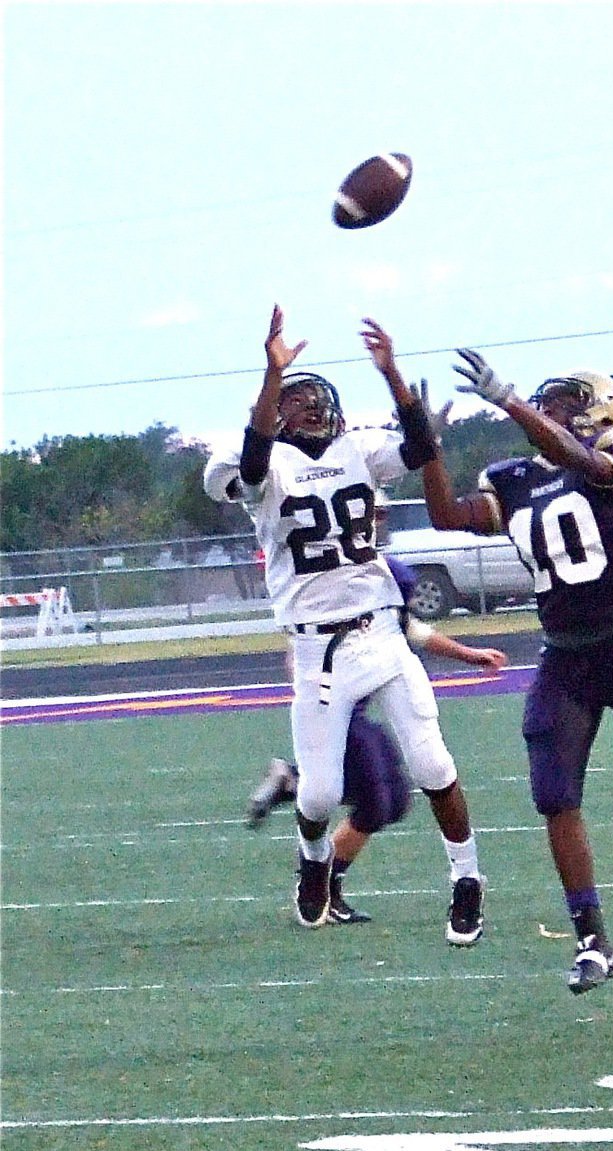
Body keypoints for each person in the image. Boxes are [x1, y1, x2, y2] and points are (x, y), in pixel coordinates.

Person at [397, 341, 613, 993]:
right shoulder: (517, 481)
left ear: (603, 409)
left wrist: (511, 403)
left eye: (567, 400)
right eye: (548, 400)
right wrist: (426, 444)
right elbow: (446, 516)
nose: (553, 407)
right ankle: (592, 940)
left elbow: (589, 467)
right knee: (553, 794)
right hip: (565, 655)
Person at [203, 305, 486, 945]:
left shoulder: (358, 446)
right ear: (275, 412)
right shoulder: (263, 462)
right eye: (293, 400)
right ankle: (313, 859)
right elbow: (247, 466)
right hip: (316, 651)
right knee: (322, 794)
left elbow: (418, 447)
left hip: (380, 632)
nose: (309, 407)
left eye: (312, 397)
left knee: (431, 762)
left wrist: (392, 374)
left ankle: (467, 878)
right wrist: (271, 373)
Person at [247, 552, 508, 926]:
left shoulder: (375, 592)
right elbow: (306, 650)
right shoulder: (351, 582)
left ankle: (294, 788)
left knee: (394, 800)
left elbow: (414, 631)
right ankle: (323, 871)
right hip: (342, 714)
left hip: (359, 709)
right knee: (373, 801)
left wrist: (471, 656)